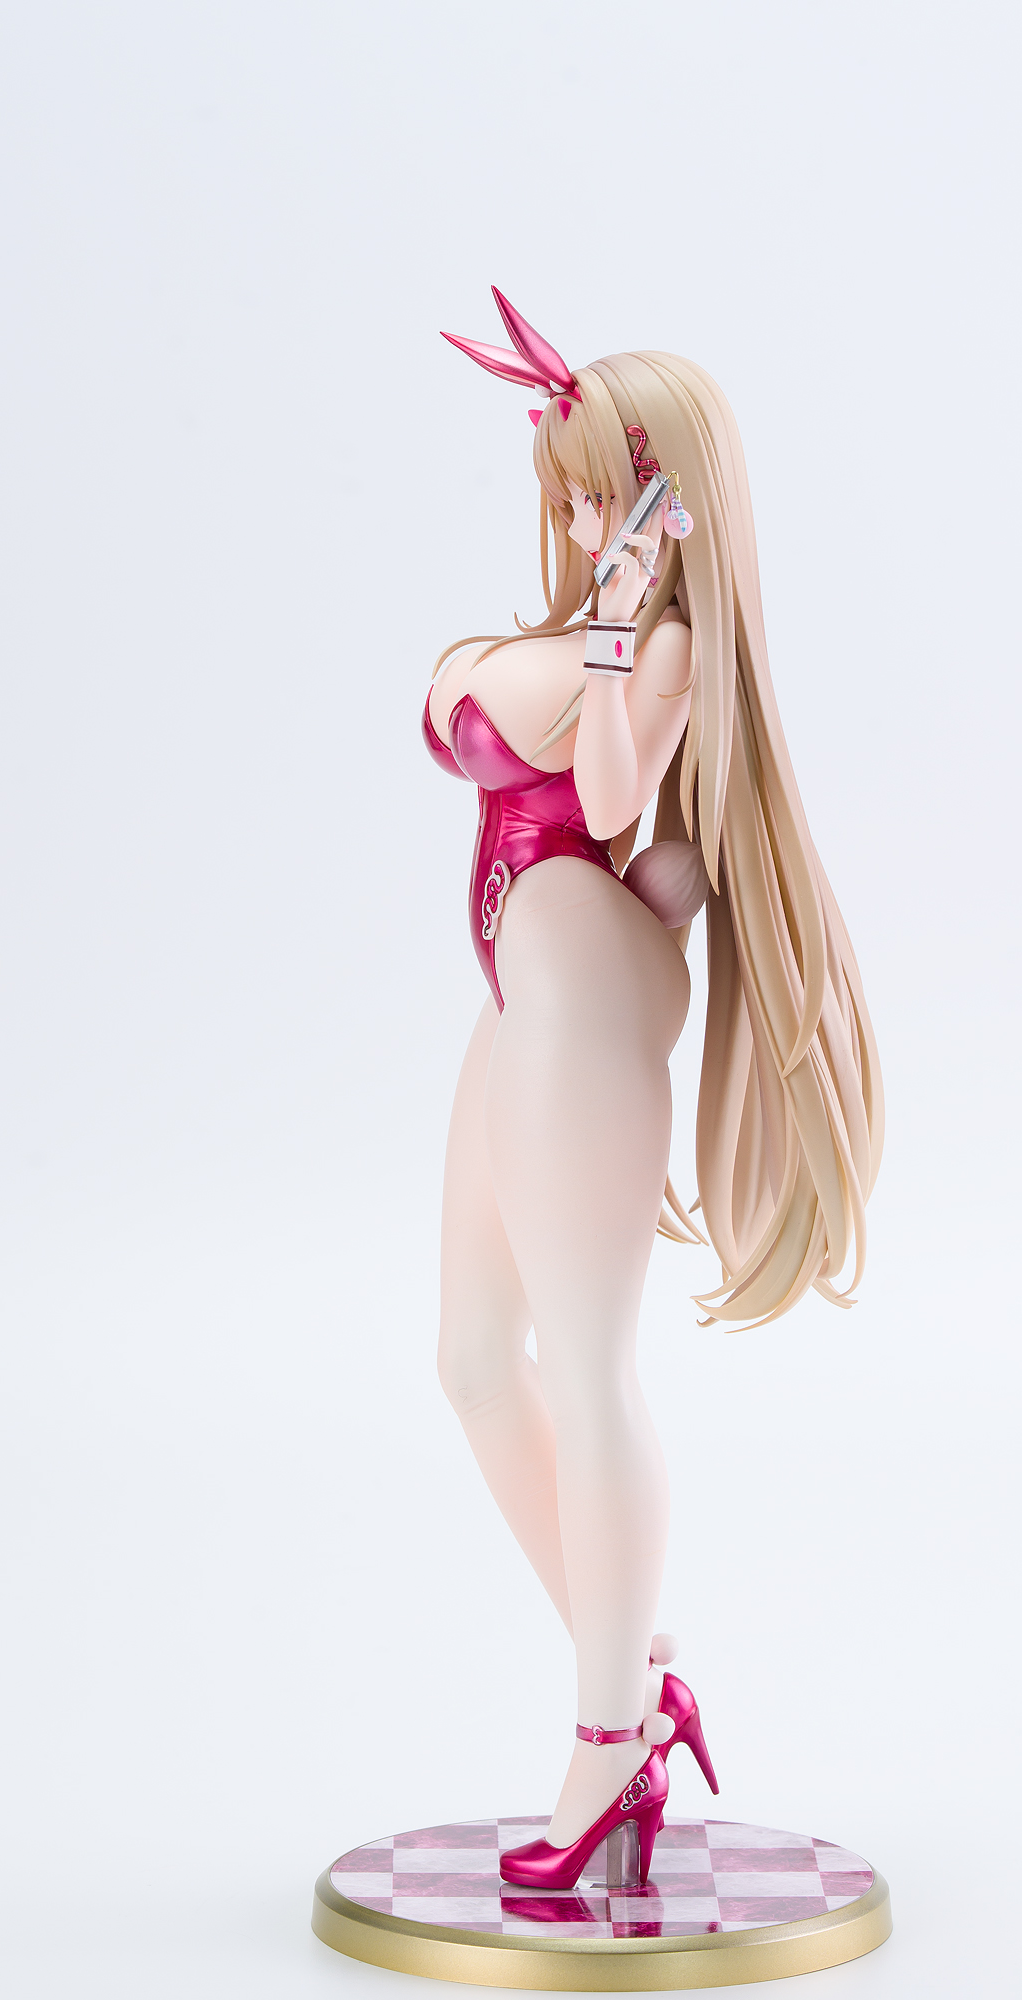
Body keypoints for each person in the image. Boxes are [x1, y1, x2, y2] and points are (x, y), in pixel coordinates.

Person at [423, 290, 883, 1888]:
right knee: (474, 1361)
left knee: (584, 1361)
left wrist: (615, 632)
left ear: (666, 499)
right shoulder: (579, 630)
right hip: (521, 1001)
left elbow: (614, 796)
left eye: (599, 494)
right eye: (561, 496)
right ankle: (637, 1678)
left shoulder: (665, 644)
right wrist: (580, 628)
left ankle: (606, 1741)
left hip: (581, 1003)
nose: (576, 524)